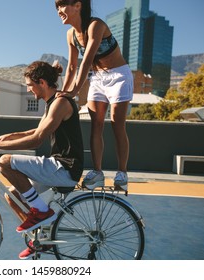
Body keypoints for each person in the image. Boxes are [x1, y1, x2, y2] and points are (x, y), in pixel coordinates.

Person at [0, 60, 84, 259]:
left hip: (65, 168)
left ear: (42, 82)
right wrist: (5, 137)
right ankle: (40, 239)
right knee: (12, 196)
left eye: (30, 85)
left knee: (4, 162)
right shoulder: (52, 103)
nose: (29, 90)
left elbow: (36, 140)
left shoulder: (61, 103)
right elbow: (35, 131)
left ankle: (41, 212)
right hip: (58, 167)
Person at [55, 0, 133, 192]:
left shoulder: (95, 25)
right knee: (96, 125)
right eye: (56, 7)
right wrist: (64, 94)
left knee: (117, 124)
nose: (59, 11)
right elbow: (73, 66)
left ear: (78, 5)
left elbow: (87, 60)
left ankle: (122, 174)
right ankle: (97, 173)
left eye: (62, 5)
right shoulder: (70, 34)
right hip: (97, 78)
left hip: (119, 75)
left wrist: (74, 92)